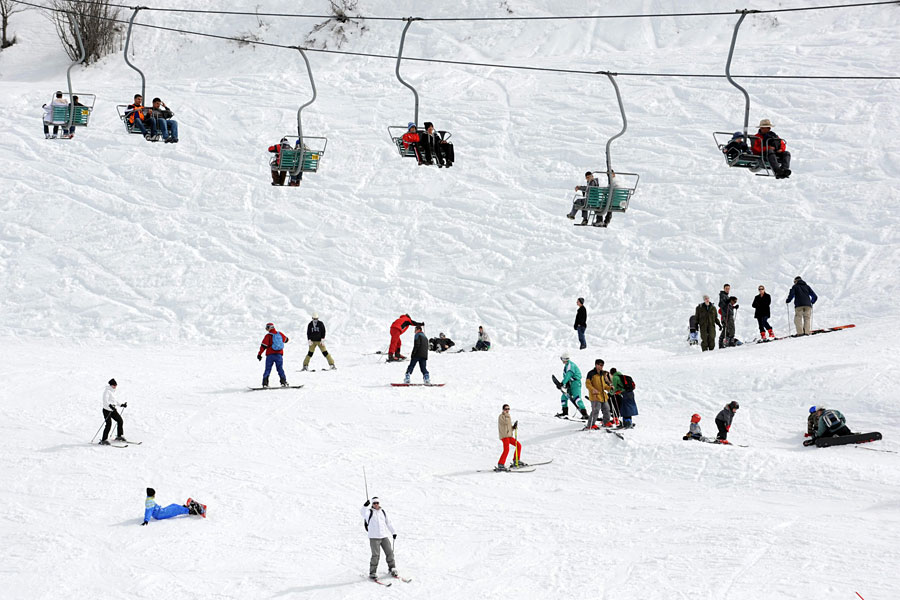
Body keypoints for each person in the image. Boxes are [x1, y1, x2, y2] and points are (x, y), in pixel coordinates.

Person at [360, 497, 398, 580]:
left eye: (377, 503)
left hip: (384, 536)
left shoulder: (383, 512)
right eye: (374, 503)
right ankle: (372, 572)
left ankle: (392, 568)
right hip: (374, 537)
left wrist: (393, 532)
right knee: (375, 555)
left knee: (389, 552)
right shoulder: (369, 512)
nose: (376, 504)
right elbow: (362, 513)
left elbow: (388, 523)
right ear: (372, 504)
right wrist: (365, 506)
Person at [556, 352, 589, 419]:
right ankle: (565, 412)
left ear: (564, 359)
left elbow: (568, 375)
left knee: (577, 398)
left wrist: (562, 383)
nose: (562, 360)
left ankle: (585, 414)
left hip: (575, 383)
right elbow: (567, 377)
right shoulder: (567, 365)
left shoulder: (570, 366)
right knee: (564, 397)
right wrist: (565, 384)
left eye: (562, 359)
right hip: (571, 383)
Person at [256, 322, 289, 387]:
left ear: (269, 328)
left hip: (270, 355)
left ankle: (265, 383)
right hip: (279, 355)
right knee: (280, 368)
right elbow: (286, 340)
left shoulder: (268, 336)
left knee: (268, 369)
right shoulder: (280, 334)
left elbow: (263, 346)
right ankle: (283, 382)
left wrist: (259, 354)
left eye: (266, 328)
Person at [584, 359, 612, 430]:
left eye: (602, 365)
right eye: (600, 365)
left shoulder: (602, 374)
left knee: (607, 409)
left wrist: (609, 388)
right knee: (595, 410)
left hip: (603, 396)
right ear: (596, 365)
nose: (601, 366)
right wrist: (592, 389)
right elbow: (588, 384)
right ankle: (590, 424)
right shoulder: (591, 373)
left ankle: (606, 422)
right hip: (595, 396)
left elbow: (604, 385)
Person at [99, 378, 127, 445]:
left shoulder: (112, 391)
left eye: (115, 385)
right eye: (114, 385)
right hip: (106, 410)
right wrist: (110, 406)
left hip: (113, 410)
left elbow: (114, 401)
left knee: (120, 421)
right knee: (108, 424)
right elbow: (105, 401)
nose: (115, 386)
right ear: (111, 385)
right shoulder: (107, 391)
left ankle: (119, 436)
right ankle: (104, 440)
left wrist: (121, 405)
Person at [496, 404, 524, 470]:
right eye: (506, 409)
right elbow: (505, 422)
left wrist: (513, 427)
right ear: (503, 410)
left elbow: (508, 427)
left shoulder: (508, 416)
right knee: (506, 450)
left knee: (518, 445)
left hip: (509, 436)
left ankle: (516, 460)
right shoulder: (501, 416)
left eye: (508, 409)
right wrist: (506, 414)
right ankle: (500, 464)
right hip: (504, 436)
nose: (507, 410)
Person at [717, 284, 731, 349]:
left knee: (727, 329)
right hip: (724, 316)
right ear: (724, 288)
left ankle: (725, 342)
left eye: (728, 289)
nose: (727, 290)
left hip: (727, 315)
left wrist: (733, 306)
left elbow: (727, 307)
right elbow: (721, 305)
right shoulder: (722, 295)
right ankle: (721, 343)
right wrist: (727, 303)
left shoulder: (726, 296)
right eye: (726, 288)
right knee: (725, 329)